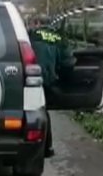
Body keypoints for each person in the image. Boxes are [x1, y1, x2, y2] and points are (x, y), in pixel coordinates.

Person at [28, 17, 76, 158]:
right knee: (43, 110)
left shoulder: (31, 35)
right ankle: (47, 147)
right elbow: (68, 62)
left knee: (33, 110)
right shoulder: (58, 38)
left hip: (31, 78)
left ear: (37, 23)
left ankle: (35, 145)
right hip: (49, 80)